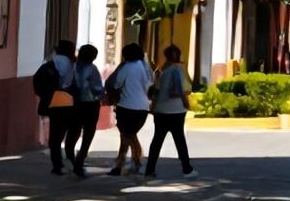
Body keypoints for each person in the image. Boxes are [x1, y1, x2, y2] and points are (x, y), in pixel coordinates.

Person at [145, 44, 196, 178]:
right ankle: (187, 168)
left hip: (161, 110)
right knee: (179, 139)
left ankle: (149, 170)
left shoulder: (162, 70)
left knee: (157, 140)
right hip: (176, 110)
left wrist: (154, 105)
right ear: (177, 55)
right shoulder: (176, 69)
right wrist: (184, 100)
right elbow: (178, 87)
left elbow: (155, 91)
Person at [104, 43, 152, 176]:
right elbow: (150, 83)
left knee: (126, 135)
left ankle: (132, 159)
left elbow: (117, 83)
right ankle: (124, 163)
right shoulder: (145, 67)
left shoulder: (127, 67)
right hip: (143, 107)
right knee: (129, 134)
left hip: (127, 105)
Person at [37, 39, 78, 176]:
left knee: (55, 135)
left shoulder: (53, 59)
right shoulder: (70, 62)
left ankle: (57, 164)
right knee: (65, 133)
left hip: (53, 101)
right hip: (67, 100)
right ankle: (68, 160)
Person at [69, 44, 105, 175]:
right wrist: (103, 95)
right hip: (90, 104)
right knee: (88, 133)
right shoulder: (92, 69)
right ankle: (80, 160)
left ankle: (70, 158)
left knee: (74, 130)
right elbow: (96, 88)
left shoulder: (72, 67)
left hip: (74, 103)